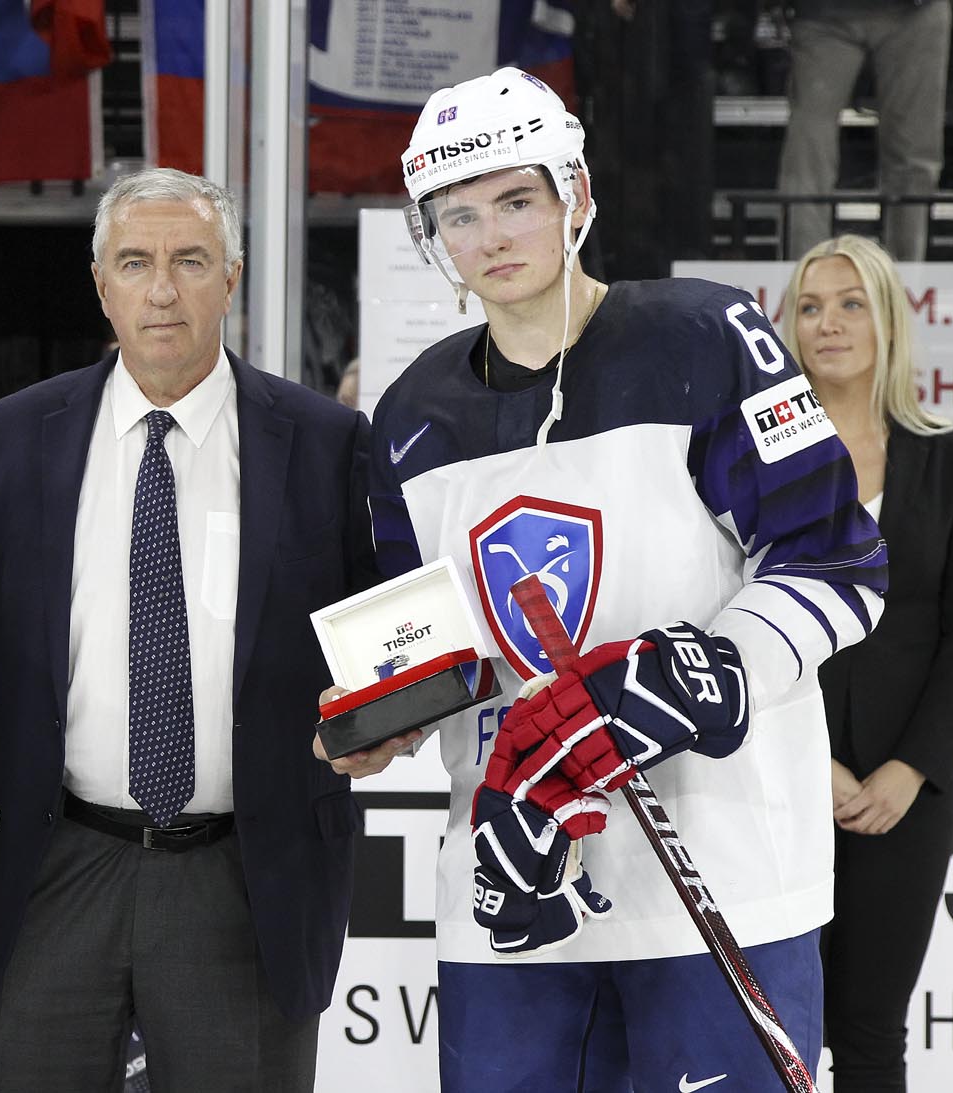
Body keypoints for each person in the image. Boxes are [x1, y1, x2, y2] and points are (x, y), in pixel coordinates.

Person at [321, 68, 888, 1090]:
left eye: (515, 200)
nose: (489, 236)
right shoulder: (409, 416)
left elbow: (837, 556)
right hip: (512, 896)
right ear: (431, 238)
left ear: (576, 195)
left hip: (721, 875)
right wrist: (380, 714)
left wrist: (714, 666)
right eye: (457, 216)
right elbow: (430, 646)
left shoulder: (710, 340)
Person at [0, 167, 377, 1092]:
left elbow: (378, 628)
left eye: (190, 260)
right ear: (100, 283)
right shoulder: (10, 436)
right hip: (48, 867)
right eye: (134, 262)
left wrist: (389, 715)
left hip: (244, 877)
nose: (162, 288)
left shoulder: (326, 443)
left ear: (232, 276)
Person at [781, 234, 953, 1092]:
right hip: (777, 787)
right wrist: (803, 761)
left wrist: (911, 768)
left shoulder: (949, 462)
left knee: (868, 1036)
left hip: (906, 797)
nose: (829, 323)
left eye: (851, 303)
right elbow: (727, 620)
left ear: (889, 319)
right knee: (773, 1031)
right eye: (810, 306)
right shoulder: (758, 468)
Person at [776, 0, 952, 261]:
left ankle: (907, 284)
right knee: (807, 150)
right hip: (823, 14)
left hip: (916, 12)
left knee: (914, 152)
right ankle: (804, 277)